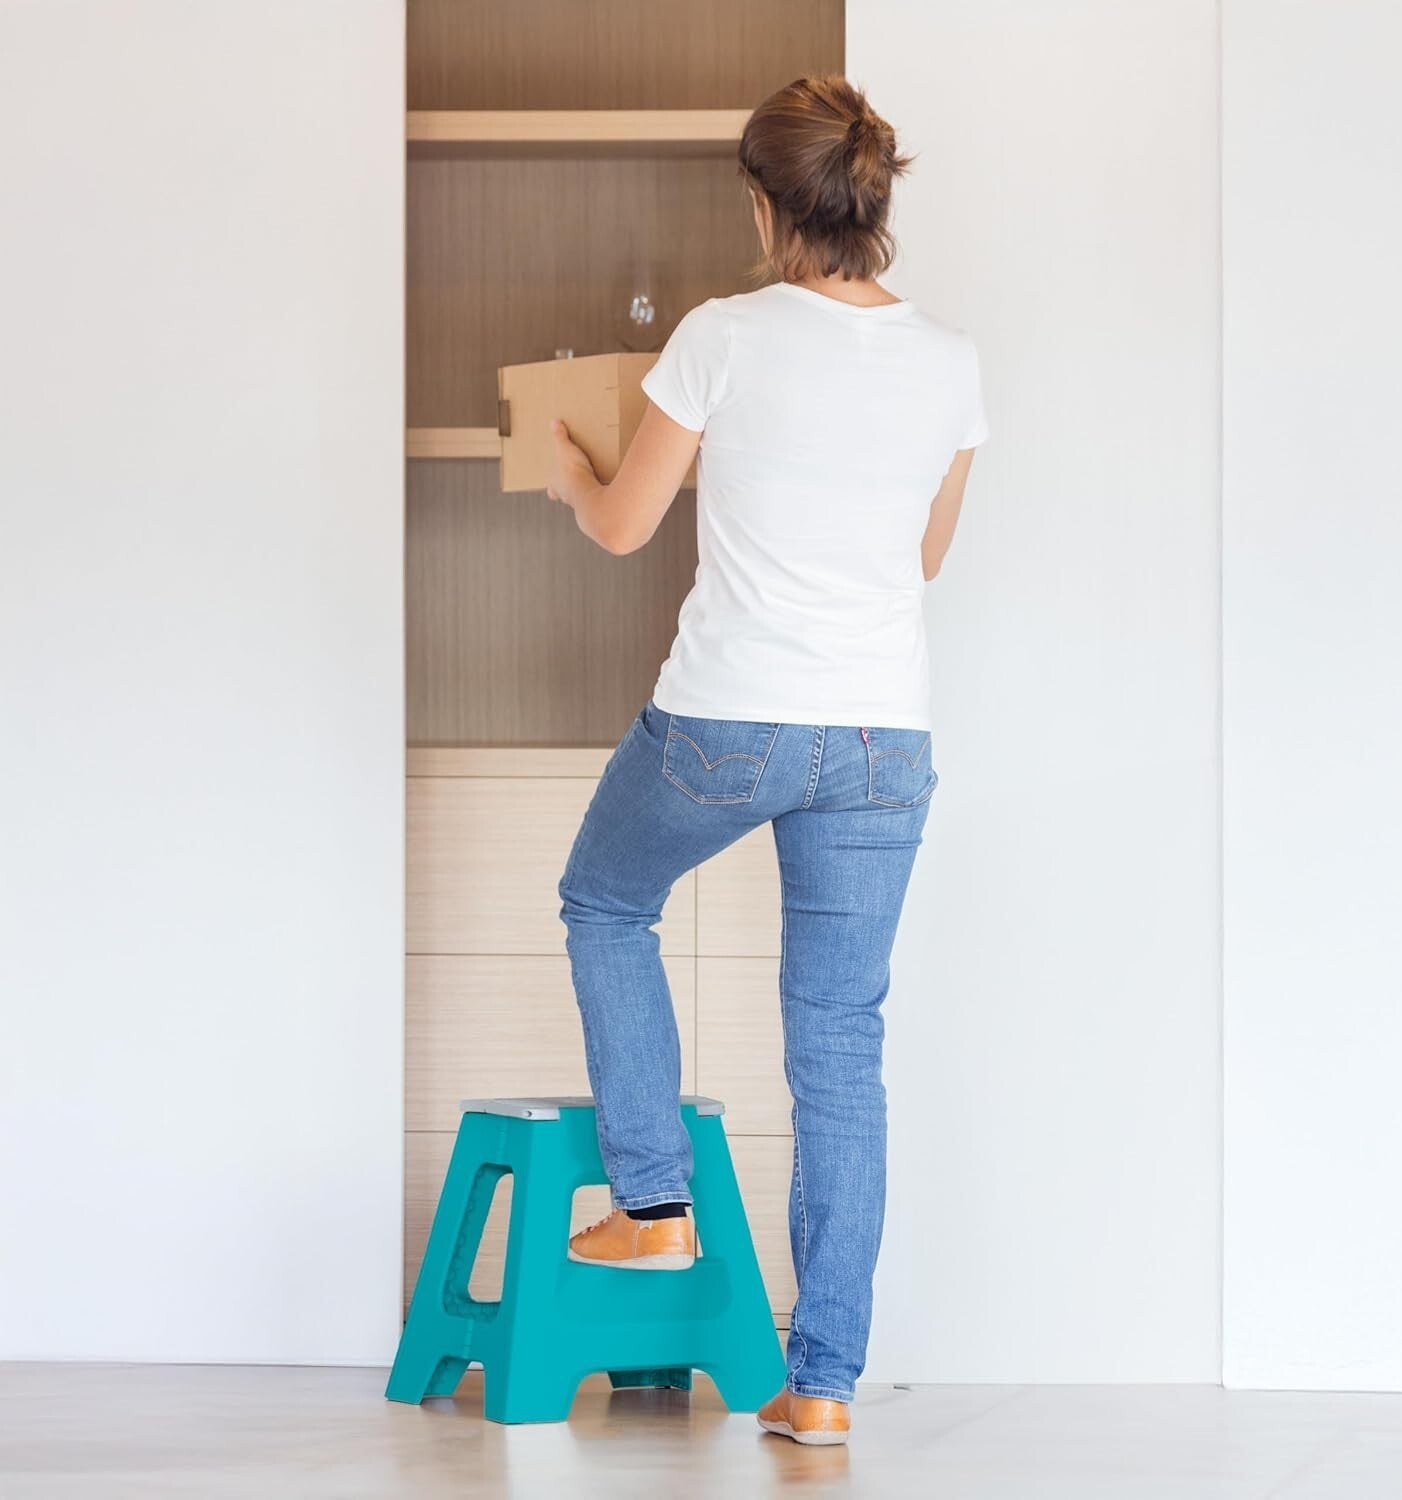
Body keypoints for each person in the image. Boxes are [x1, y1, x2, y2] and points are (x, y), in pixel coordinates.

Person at [545, 74, 987, 1447]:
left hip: (729, 720)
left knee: (606, 902)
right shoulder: (951, 362)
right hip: (880, 739)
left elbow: (622, 527)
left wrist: (567, 462)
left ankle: (654, 1207)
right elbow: (920, 556)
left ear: (764, 202)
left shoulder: (720, 337)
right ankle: (825, 1388)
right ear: (872, 197)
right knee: (840, 1047)